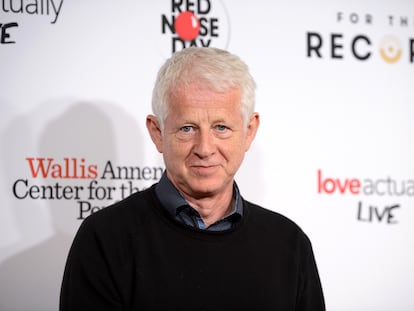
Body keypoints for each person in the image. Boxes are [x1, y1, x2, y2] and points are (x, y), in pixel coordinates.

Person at [60, 47, 325, 310]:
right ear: (157, 133)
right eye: (187, 128)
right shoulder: (105, 239)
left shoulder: (289, 245)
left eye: (221, 127)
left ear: (249, 131)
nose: (205, 148)